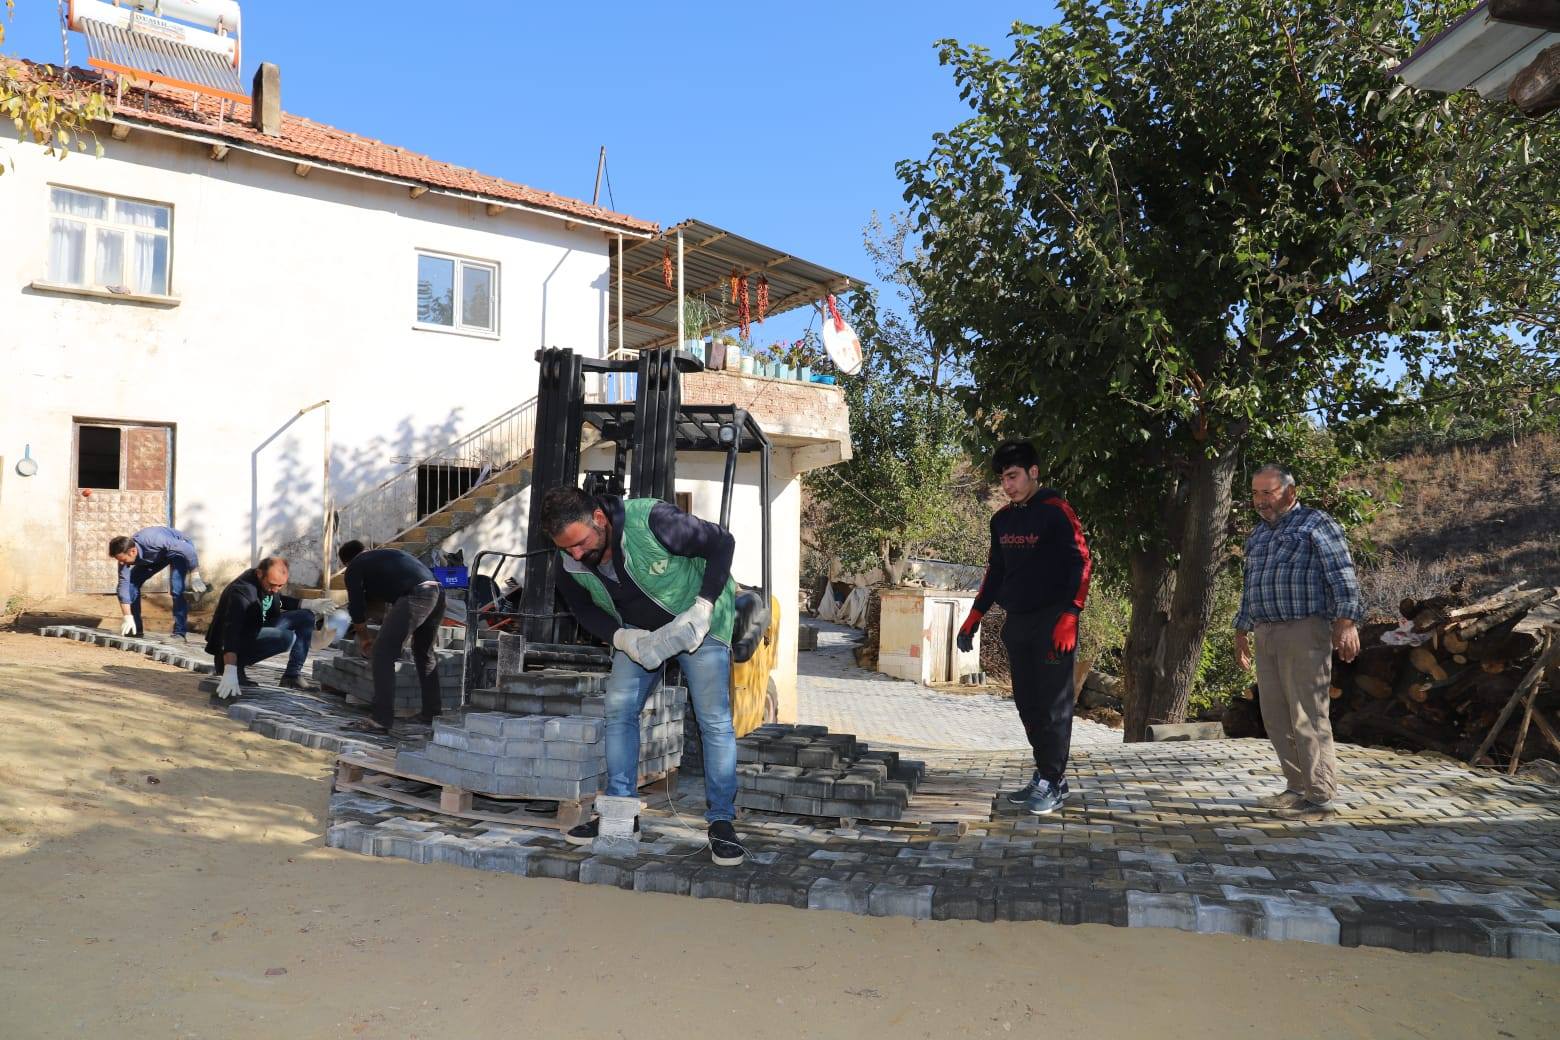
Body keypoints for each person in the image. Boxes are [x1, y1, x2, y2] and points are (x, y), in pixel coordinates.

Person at [539, 486, 746, 868]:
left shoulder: (653, 521)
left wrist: (704, 606)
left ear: (599, 519)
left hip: (698, 624)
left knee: (714, 722)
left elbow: (722, 543)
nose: (576, 554)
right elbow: (582, 609)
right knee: (618, 712)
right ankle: (621, 815)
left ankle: (721, 823)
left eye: (580, 544)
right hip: (642, 635)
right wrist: (621, 638)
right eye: (567, 549)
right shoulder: (568, 561)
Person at [956, 440, 1091, 816]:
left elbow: (1082, 562)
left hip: (1054, 622)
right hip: (1019, 622)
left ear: (1033, 472)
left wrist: (1071, 614)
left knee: (1054, 706)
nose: (1008, 485)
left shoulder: (1056, 511)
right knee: (1028, 705)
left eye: (1013, 476)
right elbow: (995, 572)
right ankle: (1046, 775)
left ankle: (1053, 780)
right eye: (1003, 478)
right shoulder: (1001, 520)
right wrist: (974, 615)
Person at [1234, 464, 1362, 820]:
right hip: (1266, 631)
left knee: (1307, 714)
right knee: (1275, 715)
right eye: (1256, 493)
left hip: (1305, 630)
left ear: (1291, 492)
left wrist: (1347, 623)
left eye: (1268, 493)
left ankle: (1320, 794)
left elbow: (1341, 574)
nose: (1261, 501)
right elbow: (1251, 588)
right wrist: (1241, 631)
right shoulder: (1258, 536)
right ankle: (1296, 787)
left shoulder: (1316, 525)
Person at [338, 540, 447, 733]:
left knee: (382, 654)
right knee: (424, 653)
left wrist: (364, 639)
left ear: (346, 562)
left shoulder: (354, 567)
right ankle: (431, 713)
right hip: (437, 591)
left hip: (417, 595)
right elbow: (388, 602)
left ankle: (380, 719)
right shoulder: (384, 557)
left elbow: (356, 608)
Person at [205, 556, 324, 698]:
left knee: (306, 616)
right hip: (231, 645)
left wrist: (306, 604)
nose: (275, 590)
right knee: (286, 638)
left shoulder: (267, 586)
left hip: (254, 629)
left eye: (280, 586)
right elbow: (231, 631)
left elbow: (278, 600)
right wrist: (229, 669)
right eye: (272, 584)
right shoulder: (242, 592)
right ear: (260, 574)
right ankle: (235, 668)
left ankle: (291, 676)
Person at [108, 527, 208, 641]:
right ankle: (135, 629)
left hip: (178, 550)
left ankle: (180, 633)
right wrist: (127, 616)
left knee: (177, 588)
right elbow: (123, 586)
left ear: (133, 551)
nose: (121, 563)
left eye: (123, 559)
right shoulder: (125, 557)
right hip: (156, 556)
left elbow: (186, 549)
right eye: (118, 560)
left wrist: (195, 575)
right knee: (131, 583)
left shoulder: (153, 540)